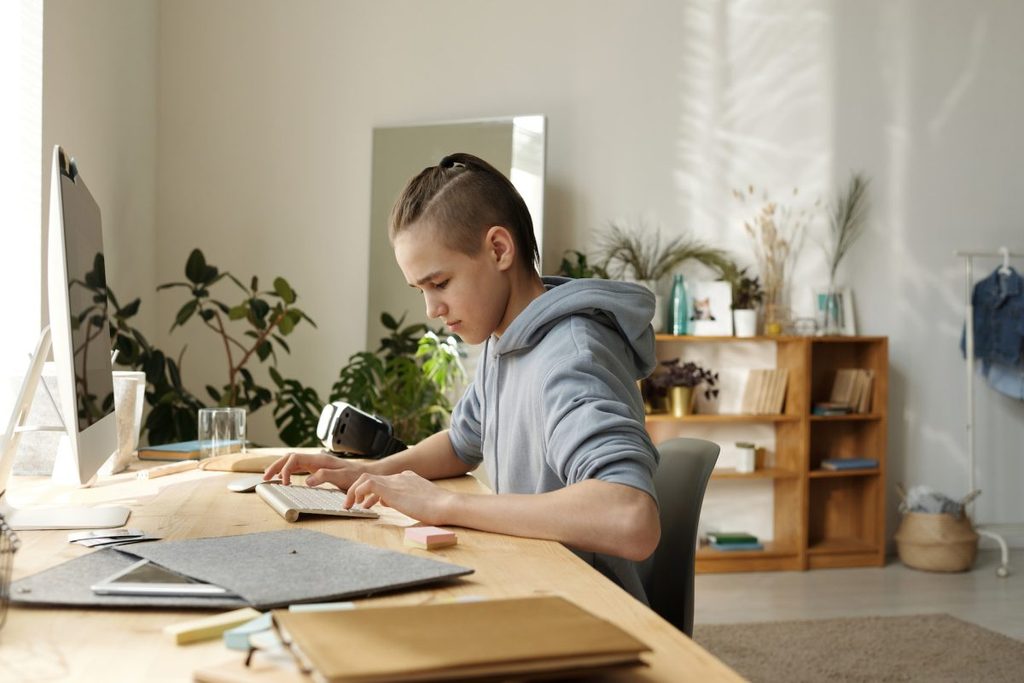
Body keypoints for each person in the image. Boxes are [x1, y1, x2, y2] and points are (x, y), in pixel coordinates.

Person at [264, 153, 661, 600]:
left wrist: (447, 504)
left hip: (586, 610)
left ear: (498, 249)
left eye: (440, 283)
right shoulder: (507, 338)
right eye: (421, 290)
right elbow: (460, 442)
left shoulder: (570, 356)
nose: (431, 310)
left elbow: (630, 517)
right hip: (531, 586)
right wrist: (365, 471)